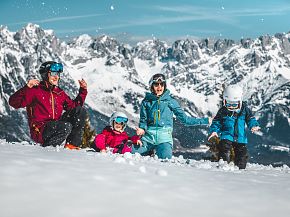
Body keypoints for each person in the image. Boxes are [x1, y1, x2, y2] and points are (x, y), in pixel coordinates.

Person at [9, 61, 88, 149]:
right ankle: (49, 149)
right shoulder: (35, 90)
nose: (56, 77)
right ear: (45, 75)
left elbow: (74, 108)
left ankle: (71, 145)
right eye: (53, 73)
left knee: (80, 111)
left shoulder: (59, 93)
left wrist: (83, 90)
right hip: (40, 129)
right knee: (65, 126)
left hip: (56, 125)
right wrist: (26, 88)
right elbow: (14, 103)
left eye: (58, 74)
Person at [132, 73, 211, 159]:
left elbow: (185, 120)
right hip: (148, 138)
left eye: (162, 84)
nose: (159, 87)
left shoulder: (170, 101)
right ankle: (149, 151)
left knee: (165, 159)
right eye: (156, 84)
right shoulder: (146, 102)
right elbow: (144, 120)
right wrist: (142, 129)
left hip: (164, 139)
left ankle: (156, 151)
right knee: (130, 153)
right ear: (151, 86)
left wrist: (206, 120)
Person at [208, 85, 260, 169]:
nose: (231, 107)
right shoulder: (223, 111)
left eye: (234, 105)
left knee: (242, 154)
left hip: (240, 137)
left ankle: (240, 169)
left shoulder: (244, 110)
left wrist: (253, 125)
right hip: (227, 135)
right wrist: (214, 130)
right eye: (228, 104)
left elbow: (250, 119)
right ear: (224, 101)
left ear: (240, 101)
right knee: (224, 148)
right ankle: (223, 164)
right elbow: (216, 122)